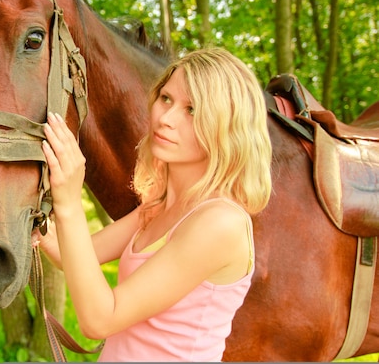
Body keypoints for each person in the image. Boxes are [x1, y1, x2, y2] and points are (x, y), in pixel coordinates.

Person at [32, 47, 272, 362]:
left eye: (192, 110)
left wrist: (69, 204)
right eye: (166, 99)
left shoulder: (220, 223)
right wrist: (33, 221)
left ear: (227, 127)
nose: (166, 119)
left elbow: (100, 318)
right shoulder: (157, 206)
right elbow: (70, 255)